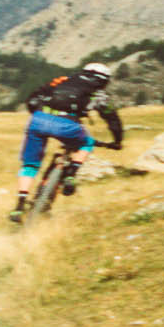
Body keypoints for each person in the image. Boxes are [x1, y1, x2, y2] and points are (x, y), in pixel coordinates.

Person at [14, 61, 122, 217]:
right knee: (87, 143)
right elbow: (112, 119)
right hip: (67, 125)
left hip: (38, 120)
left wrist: (39, 116)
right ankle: (71, 174)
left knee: (30, 165)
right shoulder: (98, 93)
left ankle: (19, 205)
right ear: (104, 80)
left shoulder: (62, 80)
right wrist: (117, 141)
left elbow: (33, 99)